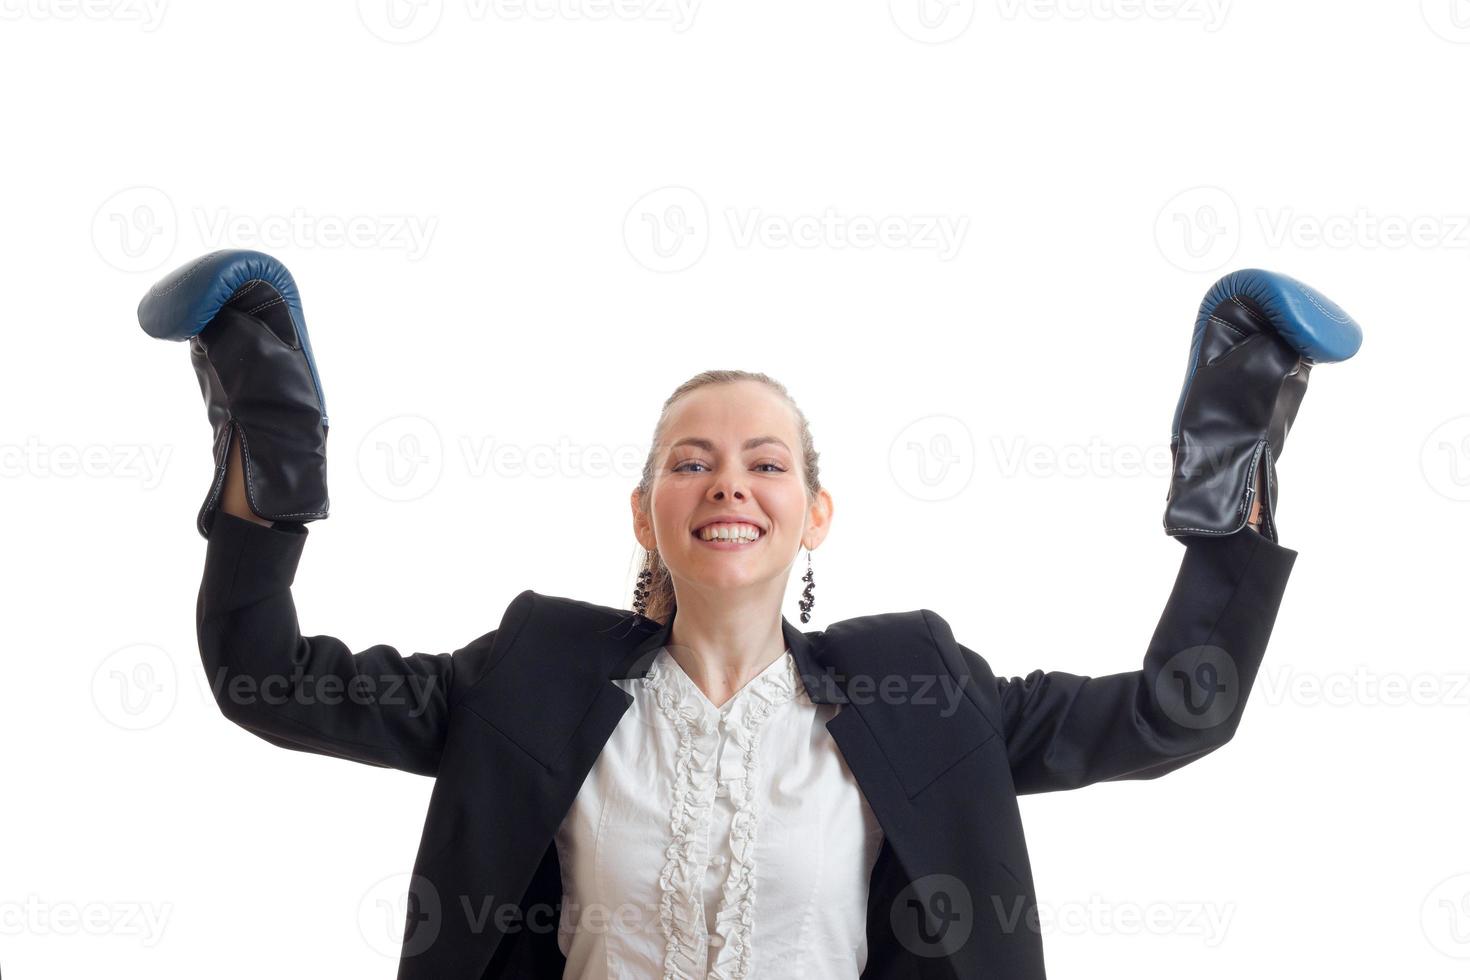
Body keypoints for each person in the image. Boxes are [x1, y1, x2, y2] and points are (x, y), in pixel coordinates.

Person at [140, 250, 1361, 979]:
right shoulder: (532, 670)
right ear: (644, 511)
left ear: (816, 512)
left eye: (766, 461)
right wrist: (265, 440)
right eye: (692, 459)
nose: (729, 481)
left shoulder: (917, 683)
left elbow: (1171, 715)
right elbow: (266, 675)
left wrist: (1232, 471)